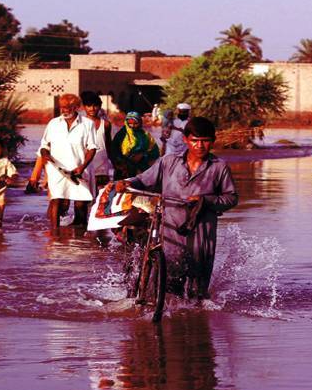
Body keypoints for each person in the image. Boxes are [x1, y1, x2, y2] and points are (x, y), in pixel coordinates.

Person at [116, 117, 238, 300]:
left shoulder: (219, 167)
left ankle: (193, 323)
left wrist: (206, 200)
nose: (200, 145)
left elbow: (231, 198)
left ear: (213, 141)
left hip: (202, 232)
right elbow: (144, 180)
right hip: (170, 229)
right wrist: (126, 182)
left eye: (205, 141)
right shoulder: (168, 162)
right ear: (186, 140)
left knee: (197, 291)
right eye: (195, 140)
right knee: (167, 283)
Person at [37, 94, 97, 230]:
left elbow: (92, 148)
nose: (64, 110)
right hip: (57, 169)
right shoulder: (53, 123)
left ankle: (80, 236)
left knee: (81, 203)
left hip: (79, 169)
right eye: (62, 108)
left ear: (76, 107)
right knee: (56, 199)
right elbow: (44, 145)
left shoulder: (88, 124)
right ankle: (54, 234)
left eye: (67, 108)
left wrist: (82, 167)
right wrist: (44, 153)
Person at [109, 111, 160, 179]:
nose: (132, 126)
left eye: (135, 123)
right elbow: (113, 151)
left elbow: (154, 151)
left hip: (142, 169)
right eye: (130, 123)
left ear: (140, 122)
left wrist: (143, 155)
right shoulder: (121, 135)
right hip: (124, 171)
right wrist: (123, 163)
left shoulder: (145, 135)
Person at [80, 91, 113, 192]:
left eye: (95, 106)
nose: (92, 109)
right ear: (84, 107)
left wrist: (116, 164)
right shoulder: (79, 124)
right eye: (89, 106)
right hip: (85, 167)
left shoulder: (106, 124)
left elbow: (108, 146)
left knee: (101, 199)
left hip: (102, 168)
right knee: (85, 200)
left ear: (100, 106)